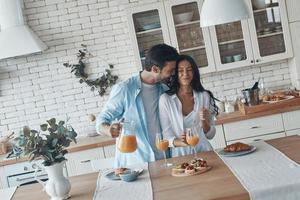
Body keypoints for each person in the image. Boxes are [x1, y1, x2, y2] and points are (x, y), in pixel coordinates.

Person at [96, 44, 179, 167]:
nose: (173, 74)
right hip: (136, 162)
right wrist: (108, 130)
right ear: (155, 69)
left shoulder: (164, 89)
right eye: (170, 71)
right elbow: (101, 121)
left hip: (164, 158)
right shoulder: (124, 89)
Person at [159, 55, 218, 158]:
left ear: (194, 72)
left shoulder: (204, 96)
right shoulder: (165, 100)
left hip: (205, 152)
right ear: (175, 74)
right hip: (180, 156)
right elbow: (167, 138)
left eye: (189, 70)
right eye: (180, 70)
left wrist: (204, 121)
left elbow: (210, 135)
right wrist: (182, 142)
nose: (185, 74)